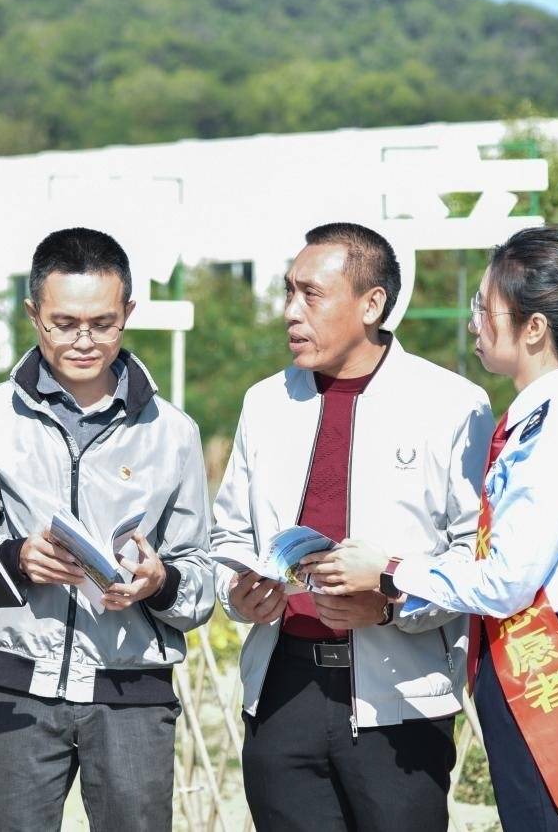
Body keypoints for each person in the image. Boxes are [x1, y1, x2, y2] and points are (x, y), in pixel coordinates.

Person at [303, 225, 558, 830]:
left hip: (546, 675)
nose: (474, 324)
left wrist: (387, 572)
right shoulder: (537, 422)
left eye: (486, 310)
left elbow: (506, 582)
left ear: (534, 328)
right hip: (523, 671)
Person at [0, 227, 215, 832]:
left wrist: (157, 583)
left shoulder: (173, 432)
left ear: (128, 314)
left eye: (103, 323)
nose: (84, 341)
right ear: (34, 315)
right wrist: (17, 557)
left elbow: (201, 583)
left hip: (132, 695)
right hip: (17, 696)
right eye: (64, 322)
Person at [211, 222, 494, 831]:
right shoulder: (263, 403)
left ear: (372, 304)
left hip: (401, 699)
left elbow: (473, 553)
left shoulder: (453, 405)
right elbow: (226, 537)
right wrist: (237, 593)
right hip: (282, 688)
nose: (291, 312)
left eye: (311, 295)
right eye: (289, 292)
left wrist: (389, 603)